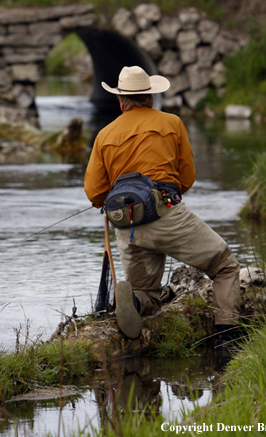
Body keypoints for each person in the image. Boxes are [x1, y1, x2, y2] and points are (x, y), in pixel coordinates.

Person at [84, 66, 240, 347]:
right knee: (225, 267)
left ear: (121, 102)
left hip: (127, 226)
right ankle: (227, 343)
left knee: (147, 293)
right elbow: (187, 178)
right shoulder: (172, 123)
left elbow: (95, 193)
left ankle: (131, 299)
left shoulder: (104, 135)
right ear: (151, 98)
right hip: (169, 216)